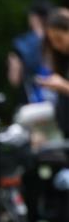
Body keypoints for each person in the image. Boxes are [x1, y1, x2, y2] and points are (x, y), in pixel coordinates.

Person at [7, 0, 55, 105]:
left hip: (31, 106)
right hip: (57, 105)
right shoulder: (59, 41)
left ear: (34, 18)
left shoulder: (22, 43)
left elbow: (14, 79)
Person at [36, 7, 69, 137]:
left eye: (59, 39)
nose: (56, 45)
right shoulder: (63, 59)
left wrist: (63, 86)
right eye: (52, 42)